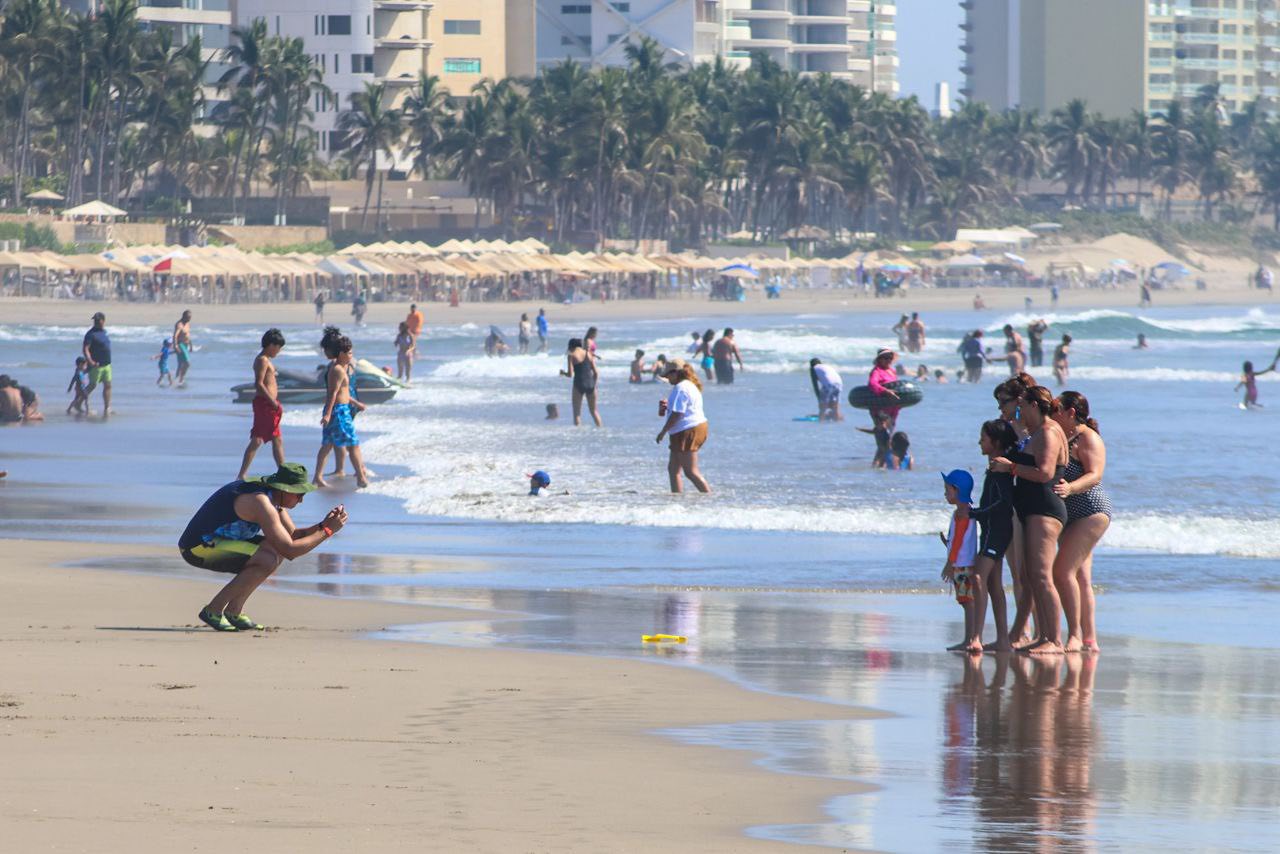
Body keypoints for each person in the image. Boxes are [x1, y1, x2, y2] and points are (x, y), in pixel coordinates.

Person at [179, 462, 348, 631]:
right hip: (196, 547)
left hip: (217, 542)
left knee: (274, 550)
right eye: (299, 494)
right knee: (267, 558)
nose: (302, 500)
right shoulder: (261, 503)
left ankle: (234, 611)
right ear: (285, 490)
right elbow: (290, 550)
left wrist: (323, 524)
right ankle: (214, 609)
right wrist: (327, 531)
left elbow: (292, 535)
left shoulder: (272, 499)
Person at [989, 385, 1069, 656]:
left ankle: (1055, 639)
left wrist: (1010, 467)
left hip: (1044, 509)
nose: (1019, 411)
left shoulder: (1048, 431)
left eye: (1023, 406)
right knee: (1031, 576)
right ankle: (1044, 635)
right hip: (1032, 508)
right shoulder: (1038, 432)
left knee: (1042, 576)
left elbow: (1045, 472)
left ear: (1035, 405)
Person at [1050, 392, 1112, 654]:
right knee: (1081, 577)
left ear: (1070, 413)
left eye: (1056, 410)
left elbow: (1095, 475)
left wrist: (1071, 488)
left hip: (1090, 510)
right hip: (1070, 514)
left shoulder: (1088, 437)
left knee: (1062, 572)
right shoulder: (1063, 437)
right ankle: (1090, 639)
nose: (1052, 414)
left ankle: (1074, 636)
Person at [969, 419, 1018, 653]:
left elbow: (1003, 503)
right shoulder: (994, 466)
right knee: (993, 584)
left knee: (978, 577)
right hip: (991, 530)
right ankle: (1003, 640)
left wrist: (976, 513)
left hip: (997, 531)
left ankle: (975, 637)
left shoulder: (999, 469)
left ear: (996, 442)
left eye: (984, 438)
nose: (979, 441)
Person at [314, 334, 369, 488]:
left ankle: (317, 477)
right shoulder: (338, 369)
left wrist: (356, 403)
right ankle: (361, 478)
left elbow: (342, 393)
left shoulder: (339, 368)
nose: (352, 356)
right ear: (341, 354)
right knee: (353, 444)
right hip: (339, 412)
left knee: (328, 445)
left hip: (337, 409)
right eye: (349, 353)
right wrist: (327, 414)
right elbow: (333, 393)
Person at [237, 329, 287, 481]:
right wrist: (273, 402)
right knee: (257, 439)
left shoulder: (266, 360)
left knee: (277, 438)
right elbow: (258, 384)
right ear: (271, 345)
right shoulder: (262, 360)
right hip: (265, 404)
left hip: (270, 405)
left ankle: (283, 472)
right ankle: (242, 474)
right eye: (278, 348)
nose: (278, 351)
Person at [939, 469, 979, 652]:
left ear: (957, 490)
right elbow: (959, 540)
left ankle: (969, 639)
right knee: (966, 601)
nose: (945, 494)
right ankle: (969, 638)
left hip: (961, 565)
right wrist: (947, 543)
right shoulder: (964, 511)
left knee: (967, 602)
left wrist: (949, 563)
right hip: (963, 563)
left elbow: (959, 541)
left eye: (947, 490)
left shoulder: (962, 513)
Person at [656, 359, 710, 493]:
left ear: (676, 373)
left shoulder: (681, 388)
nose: (667, 379)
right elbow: (684, 408)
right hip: (687, 429)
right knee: (673, 469)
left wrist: (663, 431)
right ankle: (676, 499)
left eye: (668, 375)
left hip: (687, 430)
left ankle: (710, 498)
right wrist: (667, 406)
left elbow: (678, 414)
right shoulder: (687, 385)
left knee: (691, 472)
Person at [560, 338, 601, 427]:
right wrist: (594, 385)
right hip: (591, 384)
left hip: (579, 384)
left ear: (571, 346)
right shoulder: (588, 354)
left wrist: (563, 373)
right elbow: (596, 373)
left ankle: (578, 436)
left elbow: (570, 374)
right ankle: (601, 430)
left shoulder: (571, 355)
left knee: (577, 413)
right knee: (594, 411)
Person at [82, 311, 112, 418]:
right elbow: (85, 349)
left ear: (103, 321)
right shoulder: (90, 334)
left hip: (107, 365)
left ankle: (107, 408)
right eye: (95, 320)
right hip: (96, 365)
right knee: (92, 385)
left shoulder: (104, 332)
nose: (96, 322)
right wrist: (90, 361)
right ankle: (79, 404)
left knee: (108, 385)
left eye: (98, 320)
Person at [867, 347, 901, 429]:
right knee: (882, 432)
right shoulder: (876, 371)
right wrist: (885, 391)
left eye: (890, 358)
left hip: (893, 407)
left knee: (891, 430)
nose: (888, 360)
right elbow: (872, 384)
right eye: (885, 358)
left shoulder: (892, 371)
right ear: (879, 359)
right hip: (880, 407)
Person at [172, 309, 193, 386]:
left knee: (180, 364)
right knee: (187, 363)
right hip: (180, 345)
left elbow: (188, 335)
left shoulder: (187, 324)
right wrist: (175, 346)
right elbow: (175, 336)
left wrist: (191, 345)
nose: (189, 320)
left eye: (190, 318)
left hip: (186, 345)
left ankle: (176, 381)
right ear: (184, 317)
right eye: (188, 318)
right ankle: (181, 378)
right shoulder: (179, 324)